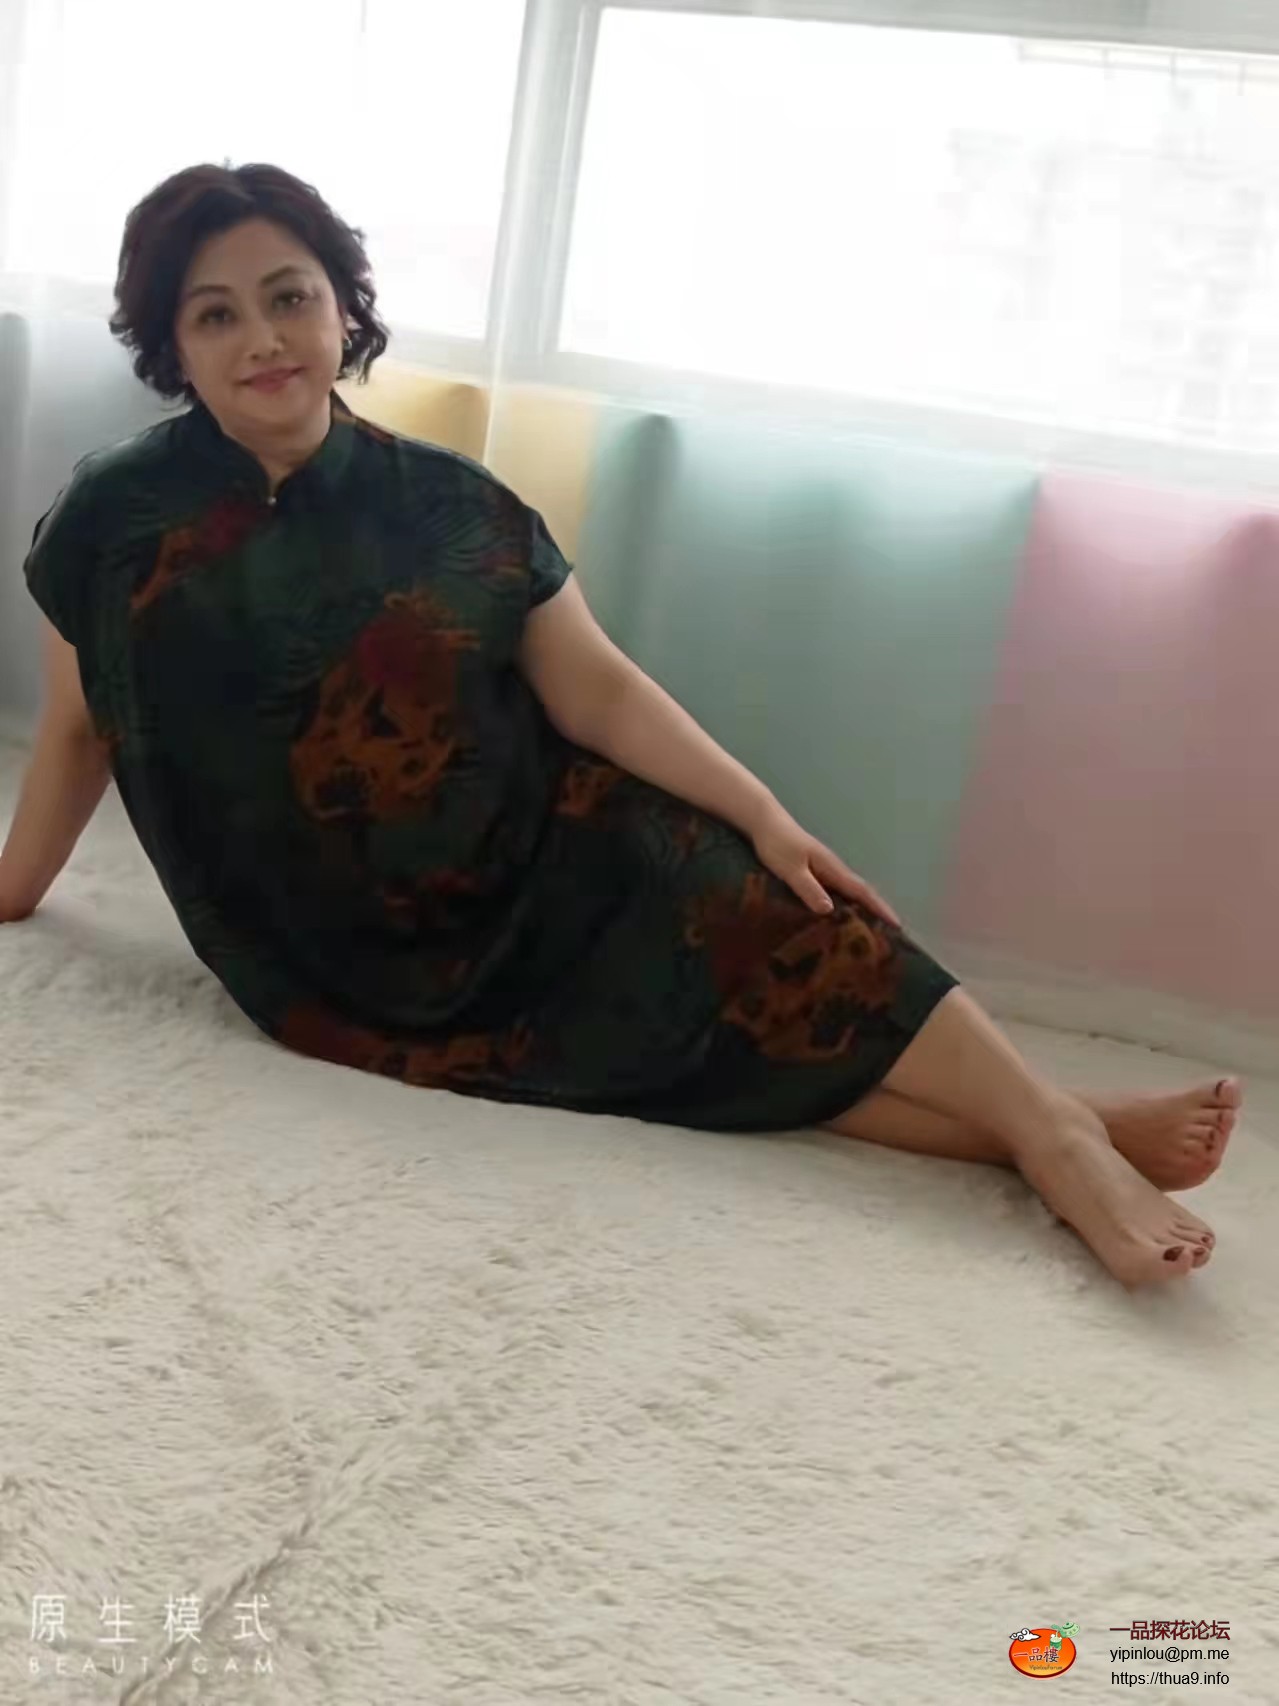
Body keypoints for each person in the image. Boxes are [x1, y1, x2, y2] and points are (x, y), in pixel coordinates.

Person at [0, 163, 1241, 1290]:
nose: (264, 337)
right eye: (216, 314)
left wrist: (763, 815)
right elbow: (76, 731)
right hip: (328, 943)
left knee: (789, 911)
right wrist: (14, 888)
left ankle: (1051, 1133)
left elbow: (595, 692)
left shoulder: (456, 504)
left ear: (344, 310)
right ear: (172, 342)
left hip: (539, 853)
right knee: (678, 1046)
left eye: (291, 297)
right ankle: (1052, 1117)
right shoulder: (112, 517)